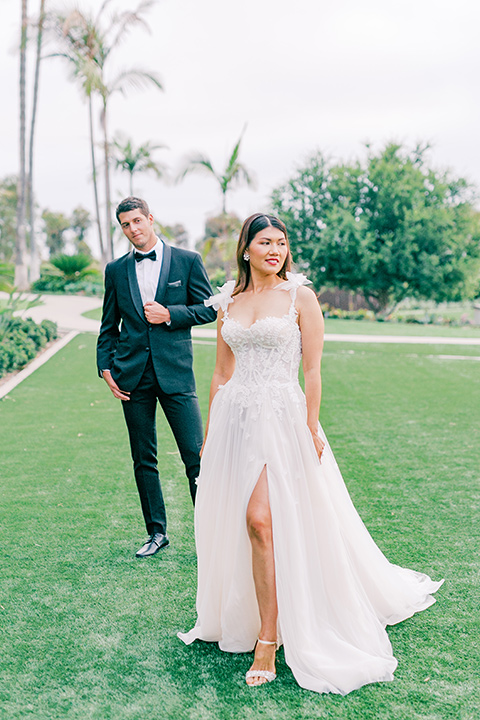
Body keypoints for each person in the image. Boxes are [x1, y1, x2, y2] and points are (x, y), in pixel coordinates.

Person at [178, 212, 443, 694]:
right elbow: (220, 373)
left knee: (262, 520)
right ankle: (253, 615)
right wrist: (211, 430)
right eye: (265, 242)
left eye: (281, 243)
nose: (274, 250)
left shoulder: (300, 296)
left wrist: (310, 426)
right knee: (244, 522)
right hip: (235, 421)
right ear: (245, 250)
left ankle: (269, 638)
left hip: (283, 419)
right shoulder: (228, 303)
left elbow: (314, 371)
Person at [96, 197, 216, 558]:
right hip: (132, 377)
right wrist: (105, 367)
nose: (133, 229)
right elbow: (108, 326)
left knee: (195, 456)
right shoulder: (115, 270)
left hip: (176, 374)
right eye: (125, 225)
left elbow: (209, 308)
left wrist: (170, 314)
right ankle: (156, 532)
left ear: (151, 219)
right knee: (143, 458)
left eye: (137, 221)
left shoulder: (187, 261)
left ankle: (210, 533)